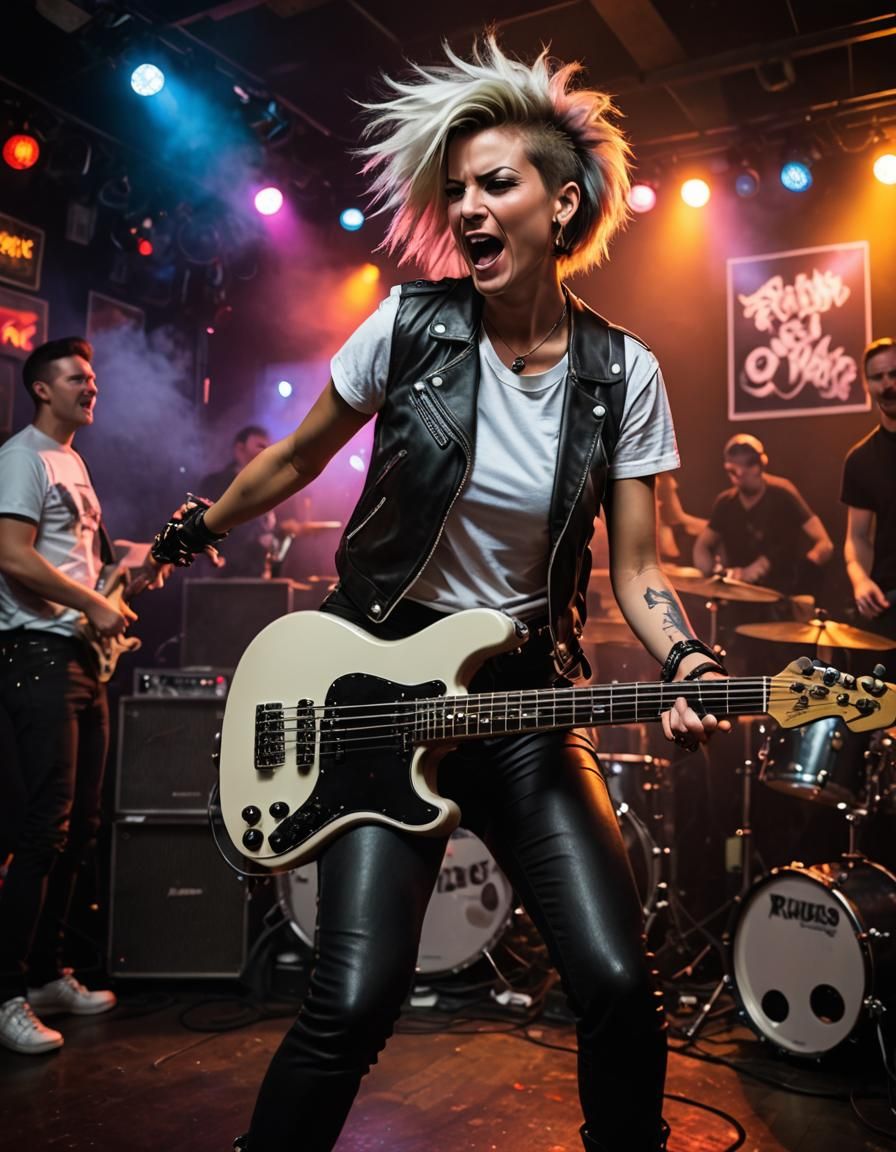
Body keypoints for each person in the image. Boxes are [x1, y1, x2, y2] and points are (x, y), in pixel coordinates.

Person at [153, 37, 729, 1152]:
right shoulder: (409, 328)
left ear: (560, 205)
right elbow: (295, 456)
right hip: (377, 687)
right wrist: (192, 528)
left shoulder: (624, 375)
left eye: (494, 183)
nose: (465, 207)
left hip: (521, 703)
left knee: (615, 982)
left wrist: (685, 661)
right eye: (453, 189)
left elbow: (639, 568)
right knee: (354, 1000)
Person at [0, 337, 169, 1055]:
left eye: (93, 377)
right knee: (44, 830)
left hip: (78, 659)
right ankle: (4, 992)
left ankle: (44, 975)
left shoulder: (73, 461)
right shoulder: (22, 456)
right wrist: (89, 607)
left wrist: (135, 568)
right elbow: (10, 554)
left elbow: (74, 563)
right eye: (76, 377)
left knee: (82, 829)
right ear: (42, 388)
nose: (90, 386)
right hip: (37, 657)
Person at [693, 433, 833, 596]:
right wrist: (717, 575)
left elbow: (825, 544)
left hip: (783, 598)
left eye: (748, 464)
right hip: (740, 597)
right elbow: (702, 546)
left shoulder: (783, 494)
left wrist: (802, 573)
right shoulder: (725, 503)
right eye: (735, 468)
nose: (741, 473)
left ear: (761, 465)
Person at [842, 337, 896, 640]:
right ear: (867, 384)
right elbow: (857, 536)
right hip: (890, 605)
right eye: (878, 377)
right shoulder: (861, 459)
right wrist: (860, 579)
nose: (887, 384)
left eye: (894, 374)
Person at [198, 425, 306, 578]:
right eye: (260, 446)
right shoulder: (214, 484)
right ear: (240, 449)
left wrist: (282, 531)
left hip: (261, 576)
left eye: (268, 447)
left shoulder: (274, 485)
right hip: (223, 576)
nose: (266, 451)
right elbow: (208, 530)